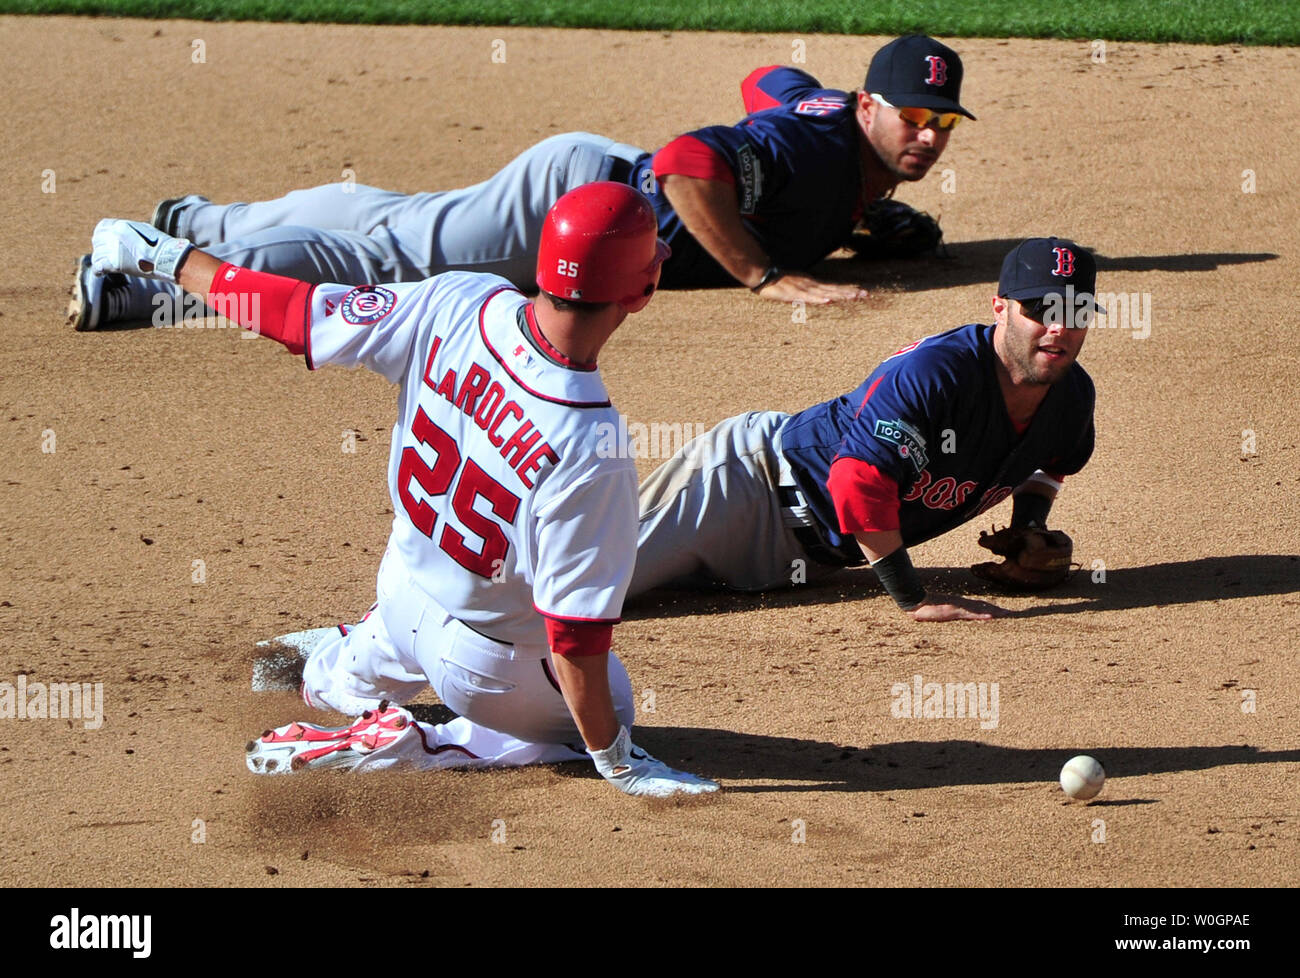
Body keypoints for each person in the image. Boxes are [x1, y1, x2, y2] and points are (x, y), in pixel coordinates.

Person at [86, 182, 718, 796]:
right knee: (611, 706)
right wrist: (619, 760)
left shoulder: (458, 300)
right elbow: (575, 639)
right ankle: (413, 742)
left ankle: (335, 671)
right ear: (639, 292)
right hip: (485, 668)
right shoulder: (591, 445)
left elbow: (297, 316)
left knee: (377, 645)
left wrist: (165, 257)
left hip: (400, 592)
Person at [68, 34, 973, 330]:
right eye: (911, 117)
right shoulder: (816, 154)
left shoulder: (824, 121)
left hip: (587, 188)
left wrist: (859, 215)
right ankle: (151, 265)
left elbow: (768, 84)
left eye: (940, 124)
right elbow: (686, 163)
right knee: (390, 263)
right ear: (867, 105)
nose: (926, 136)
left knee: (398, 227)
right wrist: (769, 274)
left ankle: (198, 218)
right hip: (579, 207)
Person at [630, 238, 1100, 622]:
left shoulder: (1071, 397)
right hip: (745, 492)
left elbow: (1053, 460)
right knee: (579, 590)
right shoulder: (937, 373)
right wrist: (914, 598)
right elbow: (856, 481)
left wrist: (1028, 527)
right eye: (1040, 308)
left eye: (1076, 311)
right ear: (1000, 307)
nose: (1058, 326)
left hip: (813, 565)